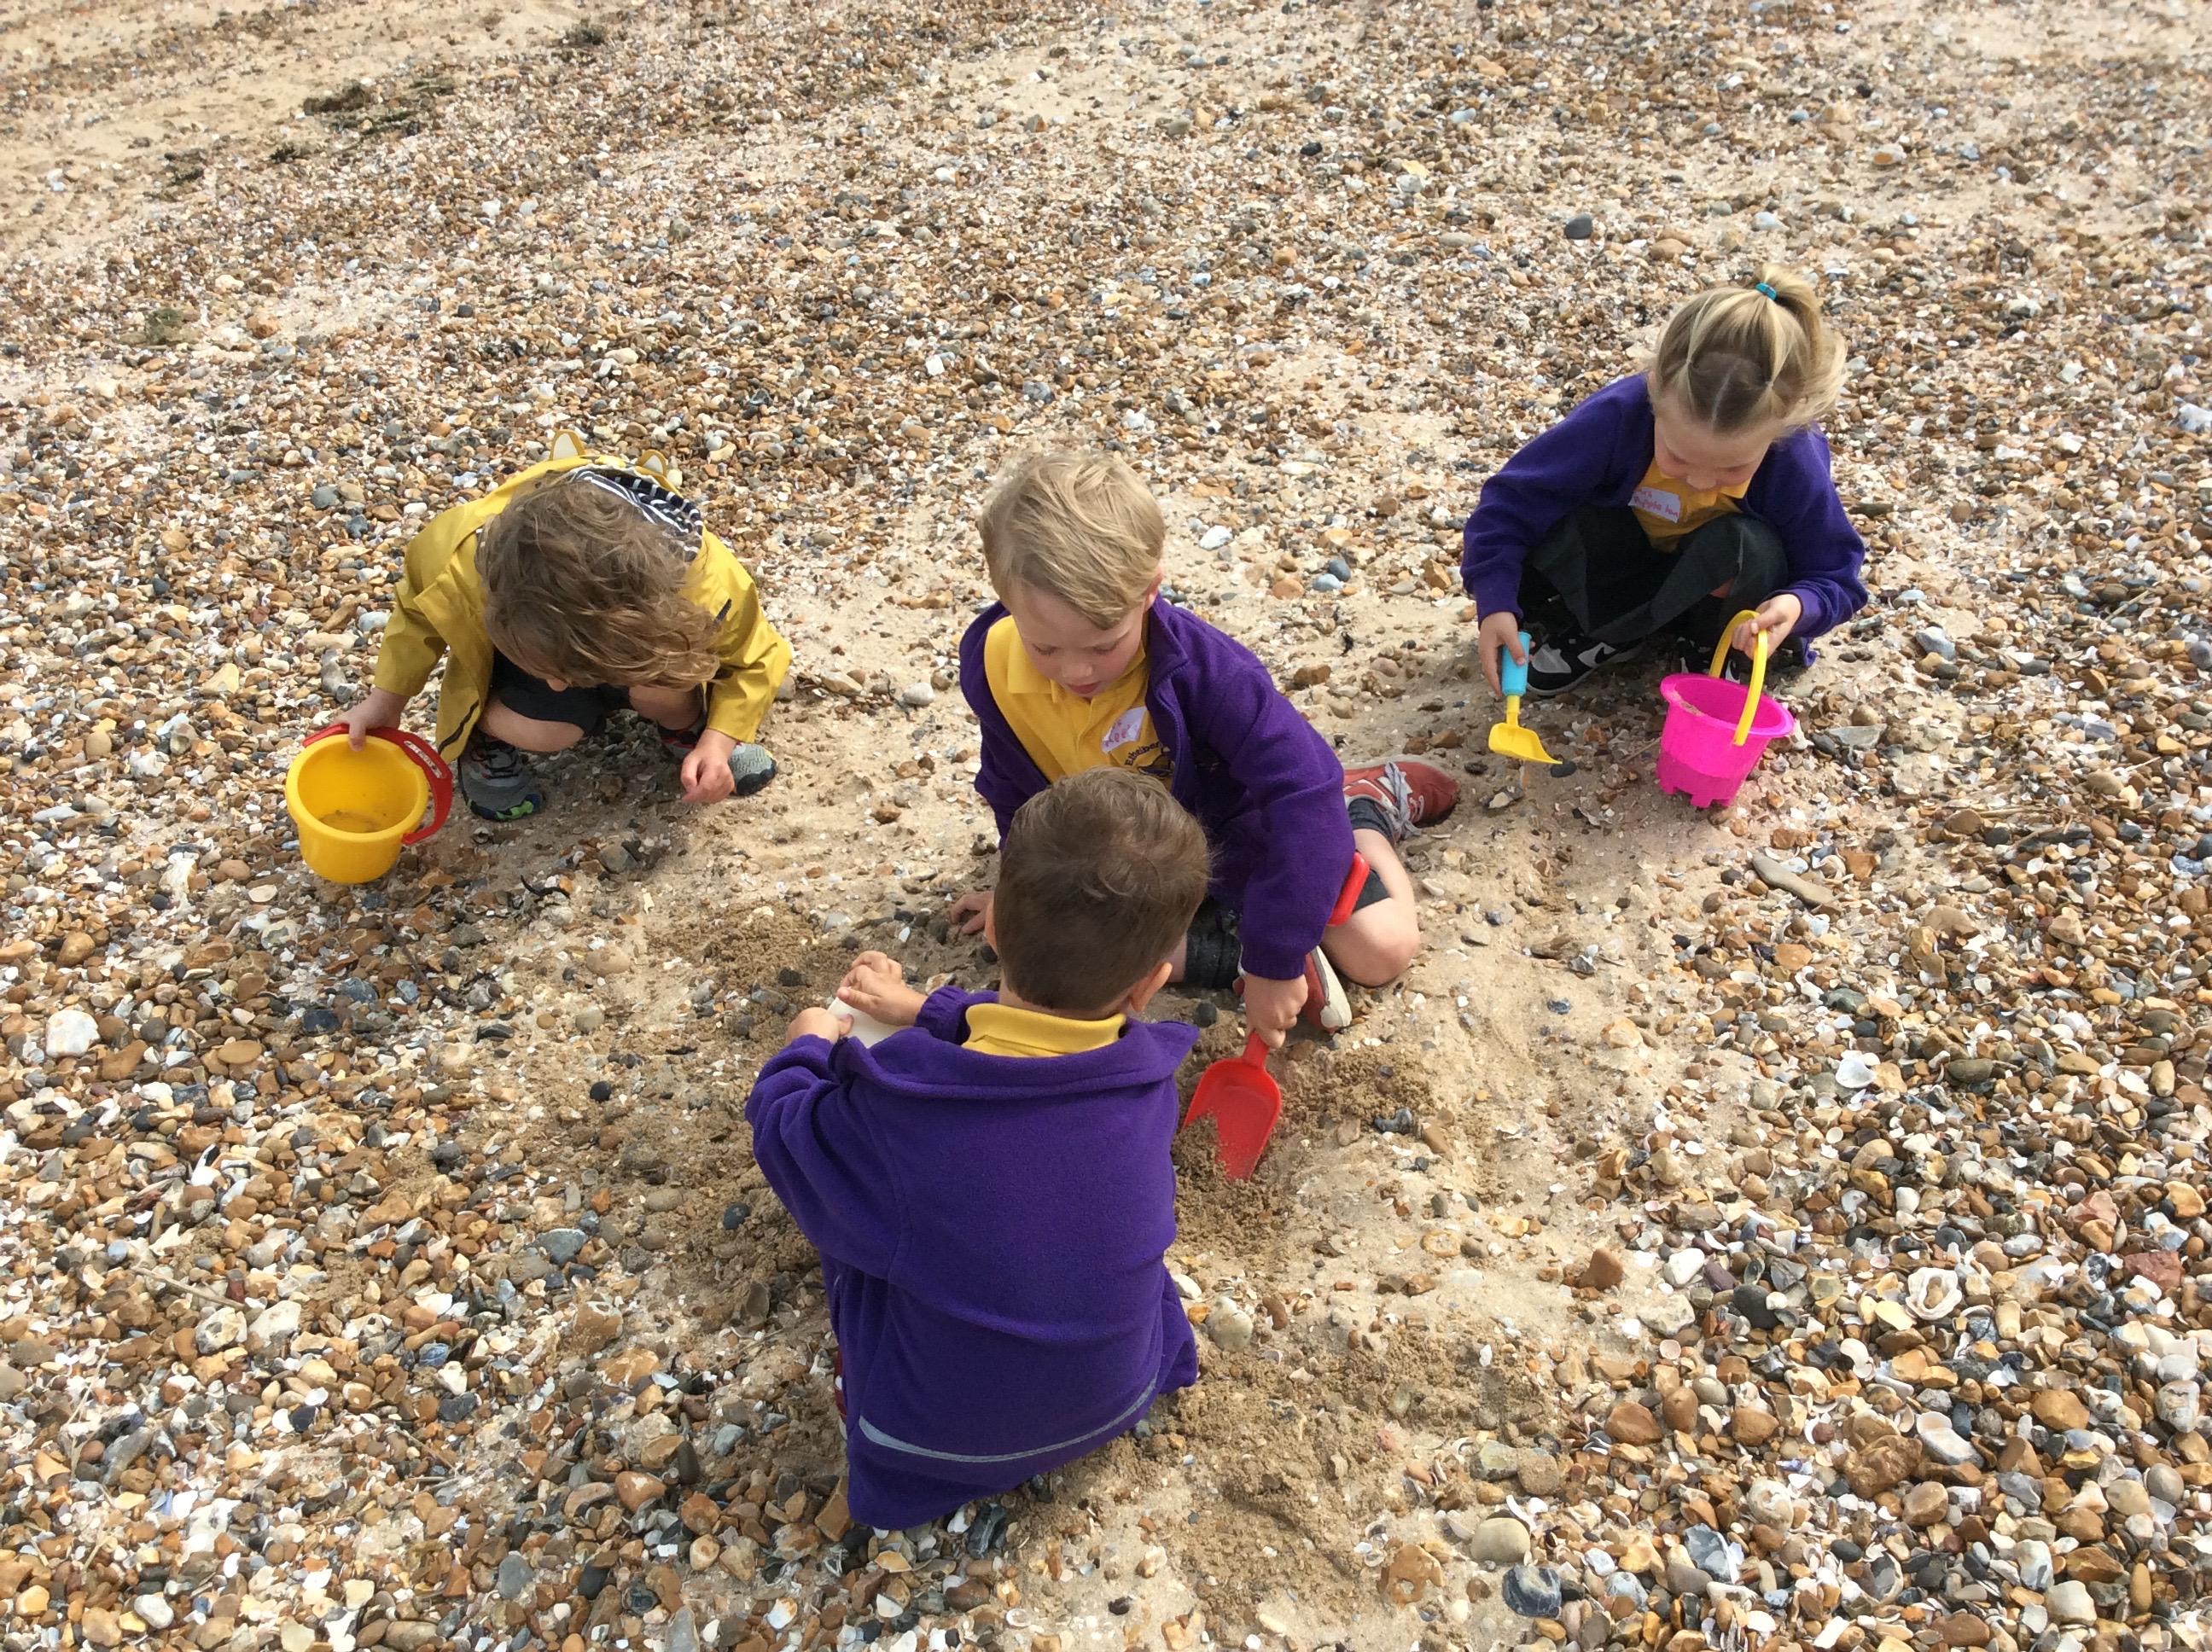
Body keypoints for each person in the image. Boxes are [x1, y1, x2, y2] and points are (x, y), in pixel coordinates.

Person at [746, 768, 1214, 1530]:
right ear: (1149, 985)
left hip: (932, 1446)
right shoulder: (1149, 1074)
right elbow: (1039, 1056)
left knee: (851, 1208)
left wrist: (805, 1046)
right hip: (1124, 1392)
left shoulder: (904, 1099)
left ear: (993, 929)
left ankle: (872, 1421)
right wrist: (929, 1009)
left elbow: (784, 1135)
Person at [952, 451, 1457, 1045]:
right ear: (1005, 601)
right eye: (1045, 649)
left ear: (1149, 591)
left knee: (1382, 951)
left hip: (1238, 839)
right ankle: (1232, 949)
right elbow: (1014, 790)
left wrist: (1276, 959)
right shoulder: (991, 662)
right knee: (1036, 956)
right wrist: (1018, 888)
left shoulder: (1209, 673)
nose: (1075, 671)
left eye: (1103, 645)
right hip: (1131, 858)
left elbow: (1303, 791)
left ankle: (1365, 811)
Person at [1462, 264, 1868, 698]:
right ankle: (1609, 630)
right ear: (1655, 393)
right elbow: (1511, 504)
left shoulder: (1793, 454)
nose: (1701, 480)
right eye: (1678, 457)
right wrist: (1496, 602)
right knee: (1562, 513)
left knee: (1749, 545)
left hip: (1718, 593)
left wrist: (1799, 605)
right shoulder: (1617, 417)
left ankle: (1712, 648)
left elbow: (1835, 573)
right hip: (1625, 567)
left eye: (1732, 468)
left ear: (1780, 430)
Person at [337, 435, 790, 819]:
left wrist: (718, 740)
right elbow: (417, 614)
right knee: (548, 731)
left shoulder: (707, 588)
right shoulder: (453, 559)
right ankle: (485, 734)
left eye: (564, 674)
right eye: (554, 672)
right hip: (545, 638)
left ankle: (686, 729)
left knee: (669, 682)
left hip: (637, 640)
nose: (556, 684)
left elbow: (755, 659)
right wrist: (387, 701)